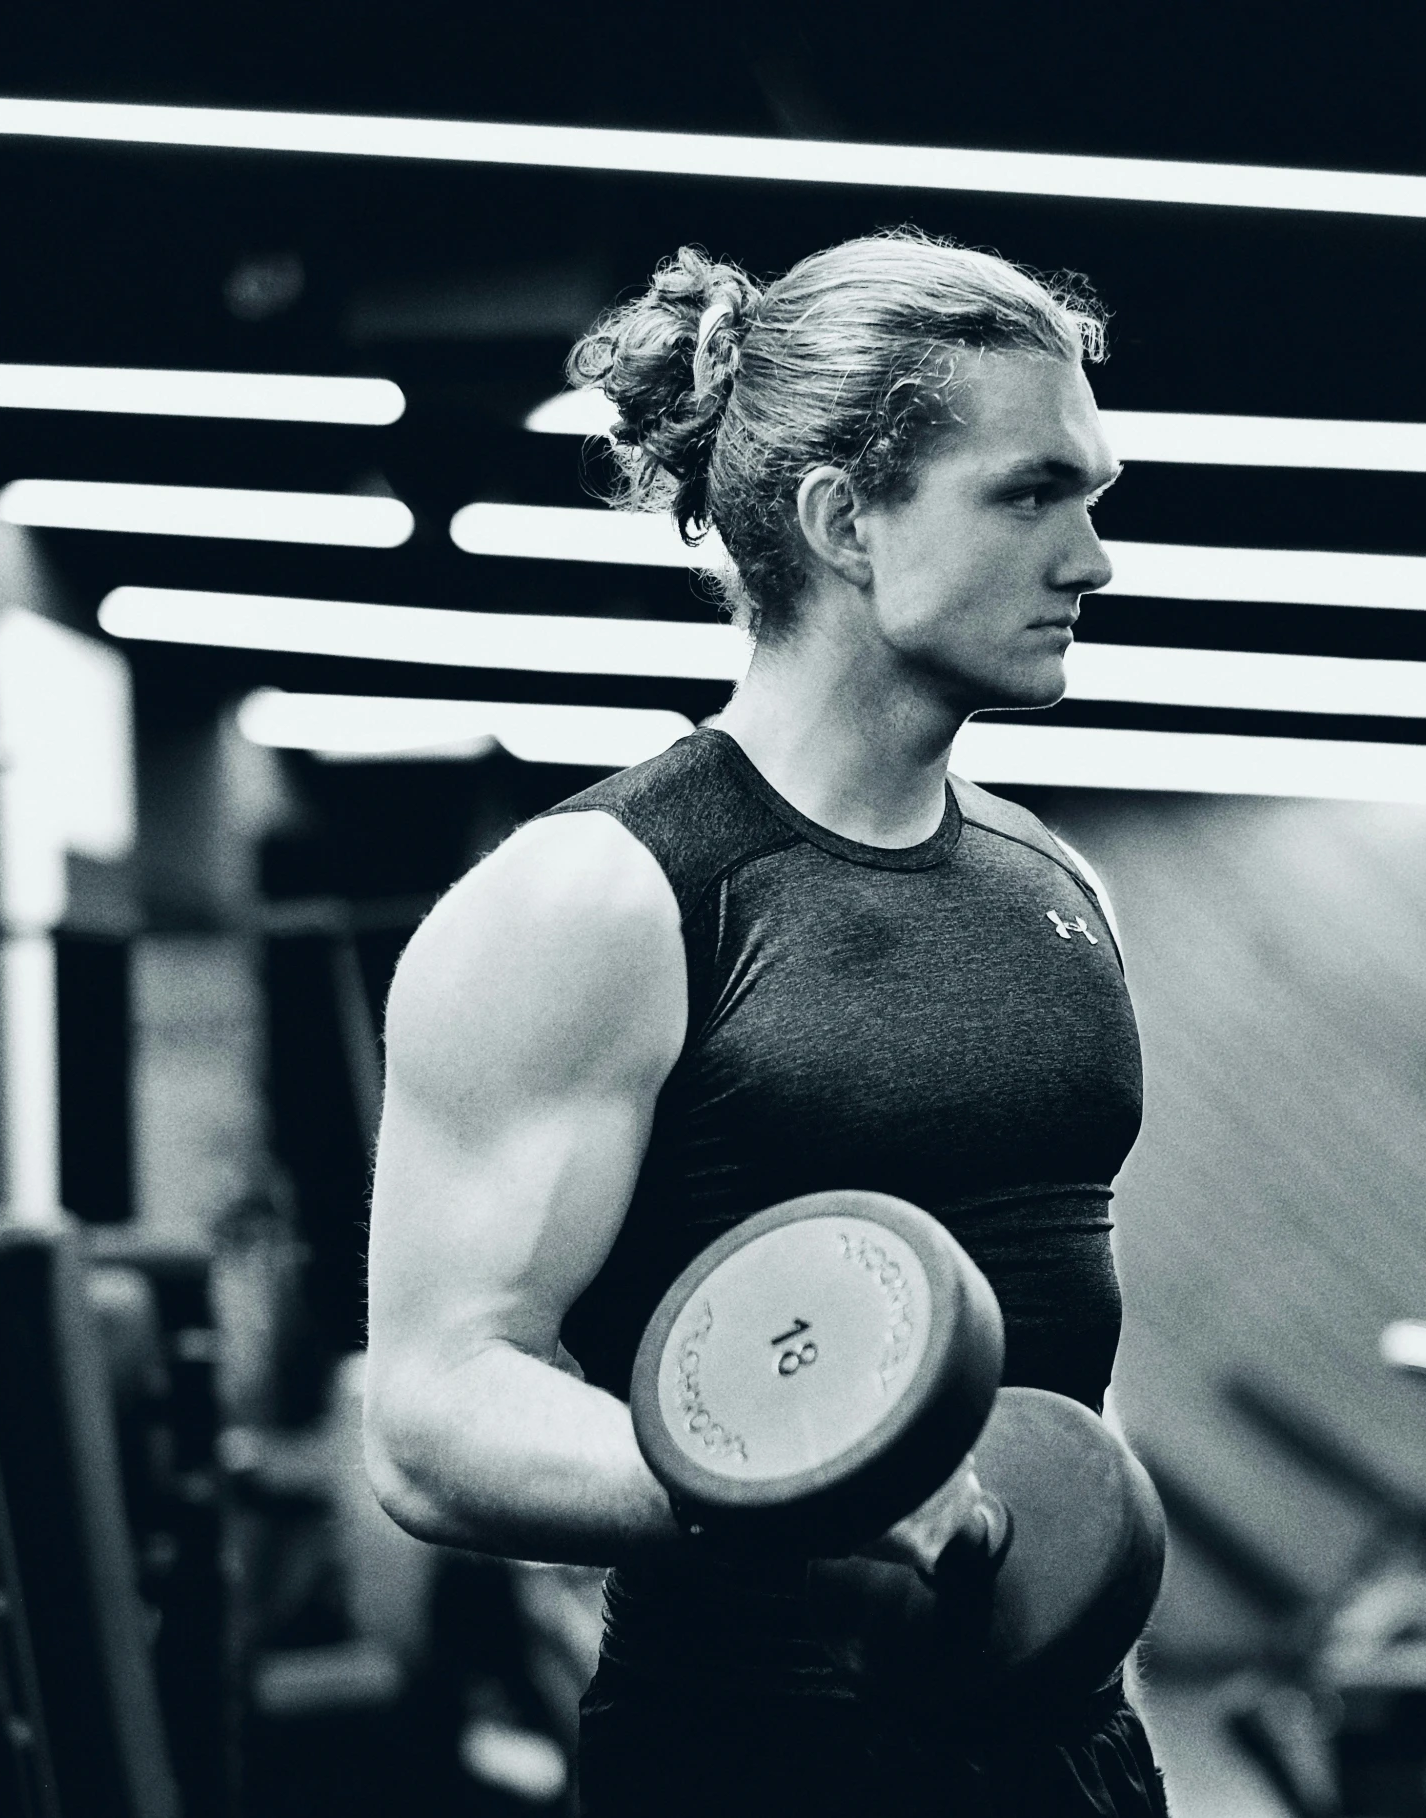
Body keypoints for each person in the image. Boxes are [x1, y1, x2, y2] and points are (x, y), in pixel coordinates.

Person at [363, 230, 1164, 1815]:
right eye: (1028, 493)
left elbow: (1062, 1367)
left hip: (1063, 1759)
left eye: (1096, 495)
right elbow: (435, 1406)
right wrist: (804, 1484)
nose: (1094, 557)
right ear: (842, 519)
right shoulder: (602, 898)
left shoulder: (1054, 886)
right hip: (752, 1760)